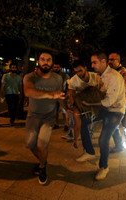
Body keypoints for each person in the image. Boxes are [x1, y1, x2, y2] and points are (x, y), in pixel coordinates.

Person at [76, 52, 126, 181]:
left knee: (103, 139)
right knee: (84, 120)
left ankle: (104, 167)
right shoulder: (100, 75)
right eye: (91, 62)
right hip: (104, 108)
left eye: (94, 62)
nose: (92, 65)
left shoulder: (114, 77)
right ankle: (89, 151)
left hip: (115, 110)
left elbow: (109, 101)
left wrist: (90, 103)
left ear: (103, 61)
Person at [23, 51, 65, 185]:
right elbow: (28, 91)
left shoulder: (58, 79)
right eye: (42, 59)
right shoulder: (30, 77)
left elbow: (59, 97)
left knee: (42, 145)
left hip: (49, 116)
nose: (45, 62)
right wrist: (50, 94)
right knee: (30, 144)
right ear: (38, 62)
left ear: (52, 63)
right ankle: (43, 160)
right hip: (33, 116)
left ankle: (42, 168)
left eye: (48, 60)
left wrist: (65, 108)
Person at [65, 60, 103, 148]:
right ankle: (75, 140)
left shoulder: (95, 77)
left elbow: (101, 91)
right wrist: (72, 105)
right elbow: (71, 94)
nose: (78, 73)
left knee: (92, 125)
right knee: (77, 121)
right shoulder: (73, 80)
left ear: (85, 68)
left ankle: (90, 141)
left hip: (94, 103)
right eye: (76, 71)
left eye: (80, 70)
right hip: (80, 103)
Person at [108, 52, 126, 149]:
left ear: (118, 61)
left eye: (112, 59)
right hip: (114, 103)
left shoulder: (125, 72)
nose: (109, 61)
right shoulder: (110, 73)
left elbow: (121, 88)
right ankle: (119, 145)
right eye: (109, 59)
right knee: (113, 124)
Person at [52, 64, 70, 131]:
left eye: (57, 67)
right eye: (54, 67)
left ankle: (66, 124)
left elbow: (68, 84)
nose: (56, 68)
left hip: (62, 94)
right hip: (53, 94)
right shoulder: (51, 75)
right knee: (55, 110)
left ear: (60, 68)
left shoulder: (65, 75)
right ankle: (56, 123)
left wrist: (67, 93)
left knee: (64, 110)